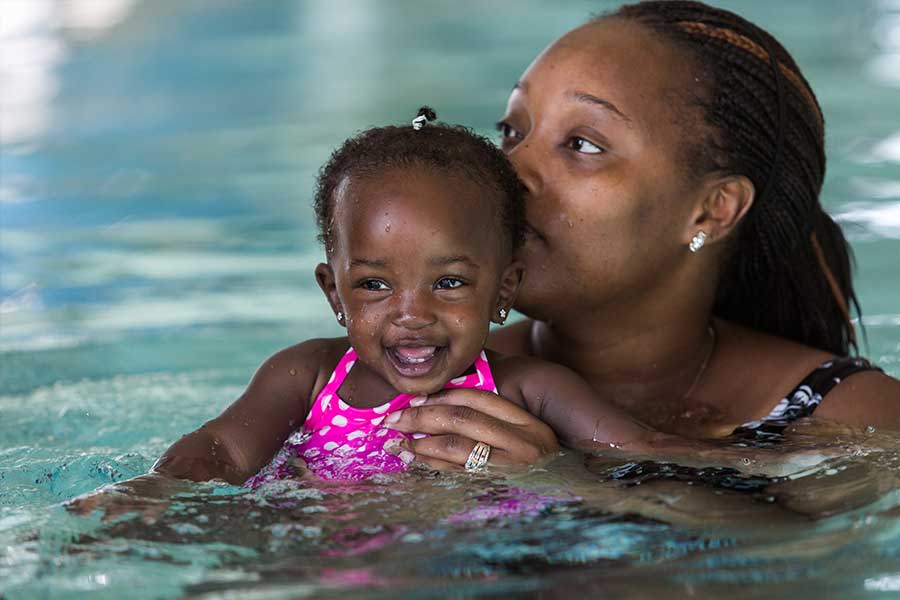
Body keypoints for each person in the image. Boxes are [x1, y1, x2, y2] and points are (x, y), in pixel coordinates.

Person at [71, 109, 701, 518]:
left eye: (449, 282)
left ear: (503, 290)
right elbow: (223, 450)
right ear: (333, 294)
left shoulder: (528, 389)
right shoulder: (309, 376)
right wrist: (147, 494)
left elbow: (644, 455)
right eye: (374, 284)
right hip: (310, 555)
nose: (411, 315)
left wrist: (558, 473)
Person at [378, 0, 900, 469]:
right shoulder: (415, 371)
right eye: (514, 132)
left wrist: (562, 482)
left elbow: (796, 565)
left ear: (712, 211)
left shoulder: (855, 421)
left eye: (582, 144)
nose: (507, 172)